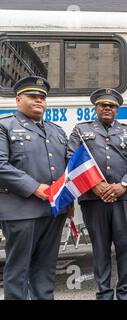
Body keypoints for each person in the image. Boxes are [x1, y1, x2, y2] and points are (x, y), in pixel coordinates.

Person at [68, 88, 127, 300]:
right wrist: (95, 186)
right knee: (100, 248)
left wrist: (124, 184)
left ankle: (125, 294)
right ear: (96, 108)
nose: (107, 108)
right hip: (93, 199)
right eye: (103, 105)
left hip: (123, 198)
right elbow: (72, 158)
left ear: (117, 109)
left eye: (111, 106)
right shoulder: (80, 130)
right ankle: (103, 294)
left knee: (125, 248)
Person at [0, 76, 71, 300]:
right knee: (18, 270)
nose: (39, 100)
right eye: (33, 96)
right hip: (20, 210)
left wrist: (68, 200)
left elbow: (67, 169)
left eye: (42, 97)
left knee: (45, 269)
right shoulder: (5, 126)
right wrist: (34, 187)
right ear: (18, 100)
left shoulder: (57, 131)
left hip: (53, 210)